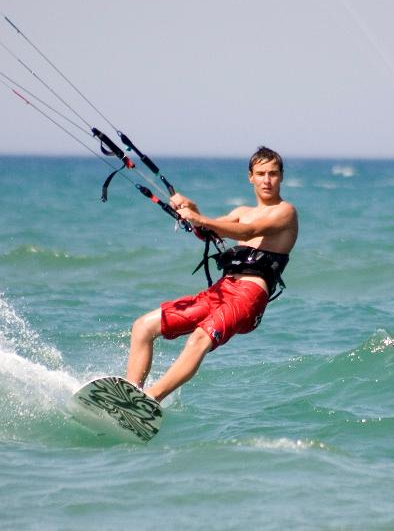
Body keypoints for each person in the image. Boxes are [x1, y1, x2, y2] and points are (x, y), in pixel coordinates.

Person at [126, 146, 299, 401]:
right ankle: (129, 396)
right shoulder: (240, 212)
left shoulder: (285, 212)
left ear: (281, 176)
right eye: (261, 173)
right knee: (142, 327)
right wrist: (190, 208)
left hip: (250, 294)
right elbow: (210, 231)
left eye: (273, 173)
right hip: (221, 291)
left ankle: (151, 399)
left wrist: (198, 217)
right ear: (250, 176)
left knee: (199, 339)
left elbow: (247, 232)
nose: (267, 180)